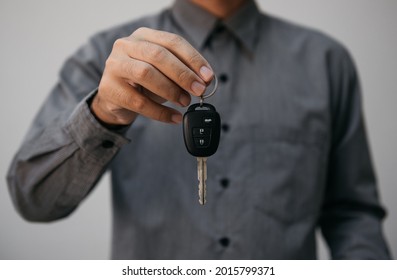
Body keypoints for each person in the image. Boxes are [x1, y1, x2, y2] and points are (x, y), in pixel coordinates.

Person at [7, 0, 391, 259]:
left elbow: (352, 215)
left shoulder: (326, 62)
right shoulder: (108, 55)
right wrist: (103, 111)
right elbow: (33, 199)